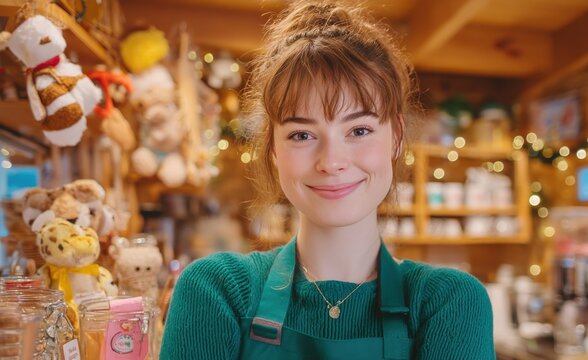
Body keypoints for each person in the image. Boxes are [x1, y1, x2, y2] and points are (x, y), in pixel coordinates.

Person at [159, 1, 495, 359]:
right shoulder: (216, 291)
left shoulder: (449, 303)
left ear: (396, 138)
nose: (332, 161)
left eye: (359, 130)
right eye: (302, 135)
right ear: (272, 147)